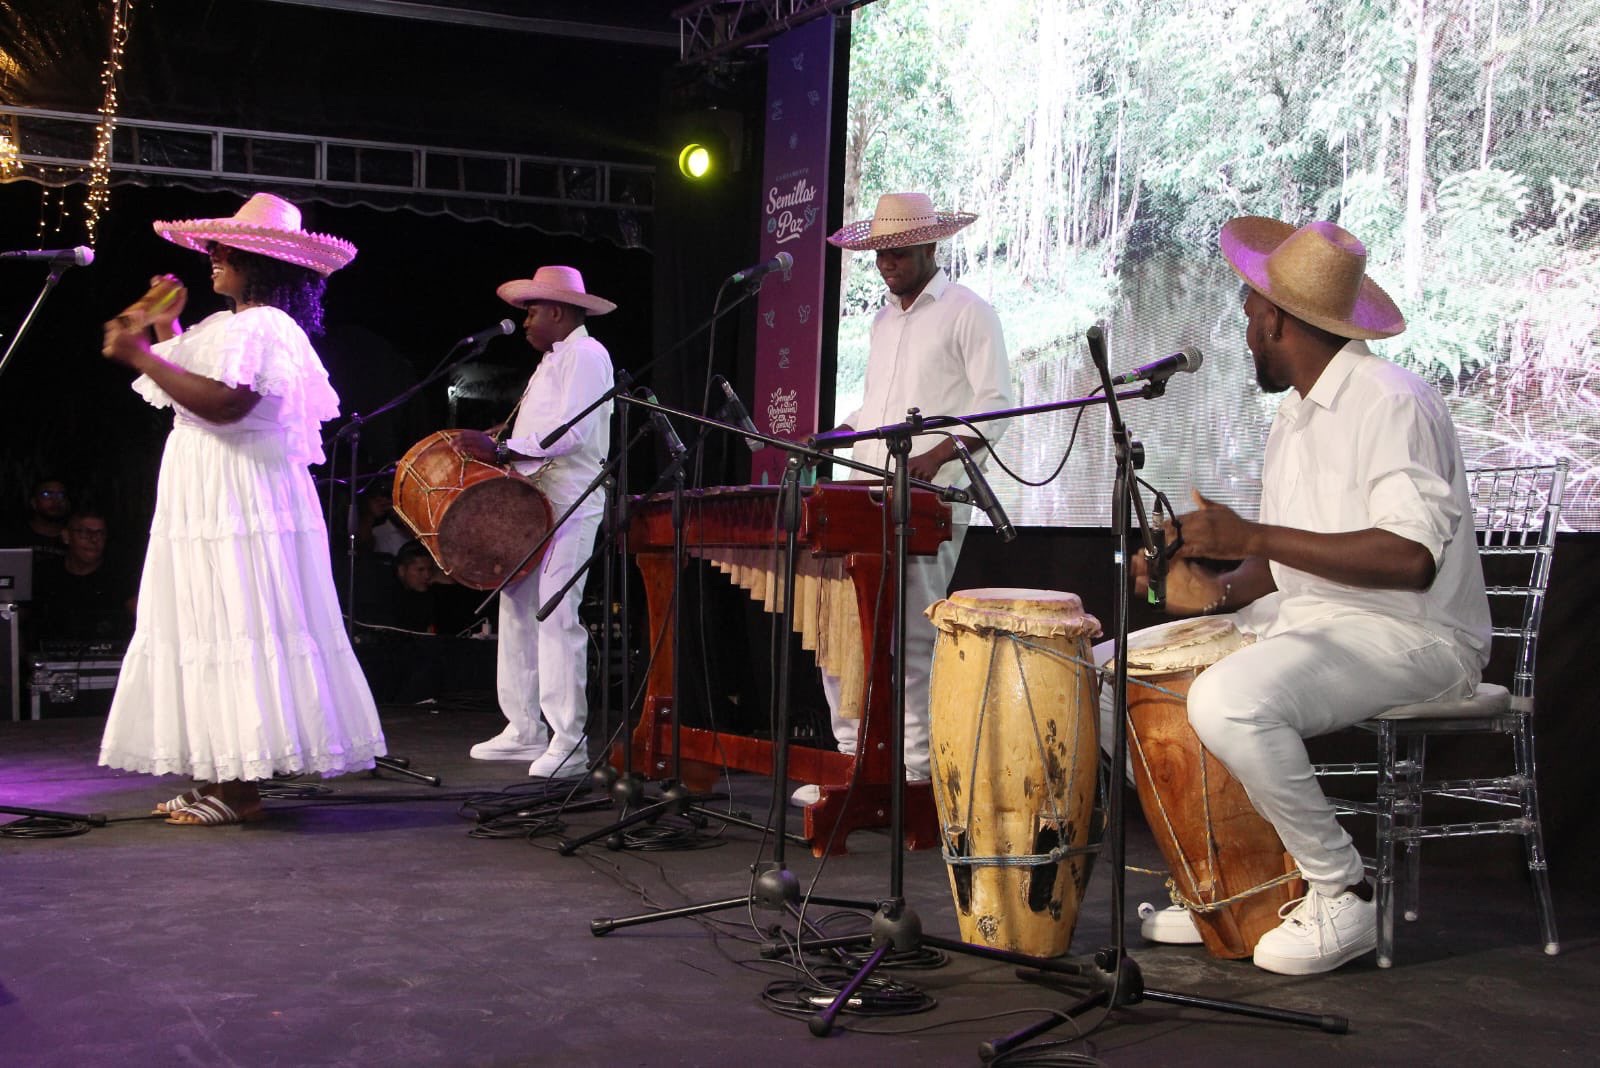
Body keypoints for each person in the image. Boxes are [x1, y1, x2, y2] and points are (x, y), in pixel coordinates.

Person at [1099, 217, 1491, 975]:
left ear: (1276, 318)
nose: (1244, 328)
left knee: (1228, 701)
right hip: (1311, 620)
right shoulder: (1297, 412)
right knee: (1107, 675)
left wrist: (1249, 537)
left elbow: (1409, 560)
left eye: (1248, 312)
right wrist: (1203, 588)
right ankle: (1229, 884)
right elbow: (1279, 571)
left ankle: (1343, 891)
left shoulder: (1391, 402)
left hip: (1415, 634)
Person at [97, 192, 387, 826]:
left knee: (236, 620)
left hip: (241, 494)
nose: (212, 257)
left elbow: (229, 404)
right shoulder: (229, 326)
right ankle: (215, 773)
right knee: (207, 622)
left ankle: (241, 791)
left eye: (224, 250)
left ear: (258, 261)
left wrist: (140, 350)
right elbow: (186, 385)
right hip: (209, 493)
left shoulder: (266, 326)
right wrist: (161, 325)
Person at [798, 192, 1014, 803]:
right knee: (842, 626)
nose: (885, 262)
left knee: (910, 639)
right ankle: (851, 762)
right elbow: (883, 406)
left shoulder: (970, 312)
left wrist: (938, 453)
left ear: (929, 246)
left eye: (896, 251)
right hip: (864, 493)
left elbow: (996, 405)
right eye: (878, 253)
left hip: (932, 497)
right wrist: (843, 430)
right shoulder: (883, 319)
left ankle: (914, 776)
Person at [467, 266, 614, 778]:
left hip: (572, 498)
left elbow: (570, 434)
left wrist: (505, 449)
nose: (525, 320)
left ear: (557, 311)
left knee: (556, 613)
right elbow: (541, 430)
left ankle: (569, 741)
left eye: (531, 310)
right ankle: (524, 728)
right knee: (516, 603)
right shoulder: (552, 361)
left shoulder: (589, 356)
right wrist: (499, 440)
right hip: (534, 497)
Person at [31, 507, 137, 644]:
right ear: (66, 536)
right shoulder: (44, 574)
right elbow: (15, 621)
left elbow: (144, 618)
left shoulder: (119, 576)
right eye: (84, 533)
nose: (94, 540)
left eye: (100, 533)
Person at [2, 478, 73, 558]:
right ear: (34, 502)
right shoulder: (12, 535)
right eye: (46, 494)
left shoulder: (76, 539)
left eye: (61, 495)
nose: (55, 500)